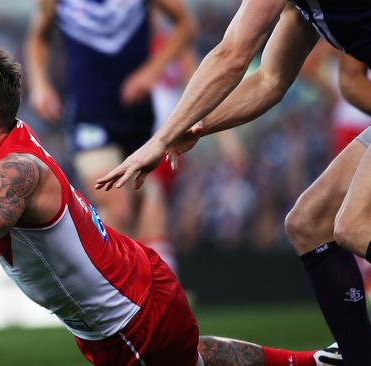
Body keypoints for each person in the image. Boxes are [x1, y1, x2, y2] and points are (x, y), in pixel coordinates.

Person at [0, 47, 338, 366]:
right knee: (194, 358)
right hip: (114, 313)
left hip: (135, 317)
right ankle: (313, 362)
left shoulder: (18, 170)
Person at [95, 1, 371, 364]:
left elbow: (232, 54)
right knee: (308, 222)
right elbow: (268, 80)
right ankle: (360, 356)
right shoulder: (301, 8)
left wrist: (160, 139)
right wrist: (197, 125)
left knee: (353, 227)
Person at [25, 0, 195, 265]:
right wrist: (39, 84)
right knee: (116, 205)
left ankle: (157, 293)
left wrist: (152, 71)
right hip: (88, 115)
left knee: (149, 205)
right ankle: (120, 292)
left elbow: (185, 25)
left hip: (137, 115)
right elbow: (38, 37)